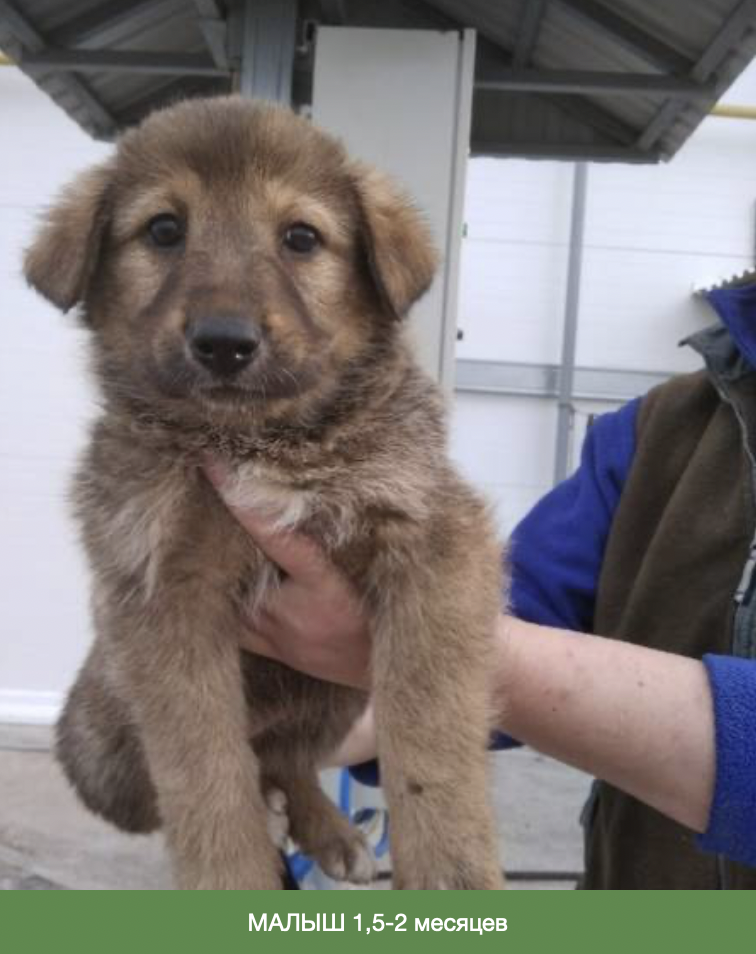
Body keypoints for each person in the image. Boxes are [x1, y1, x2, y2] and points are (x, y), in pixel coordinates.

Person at [205, 282, 756, 889]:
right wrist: (284, 717)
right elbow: (522, 613)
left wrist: (422, 647)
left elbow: (491, 645)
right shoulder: (662, 430)